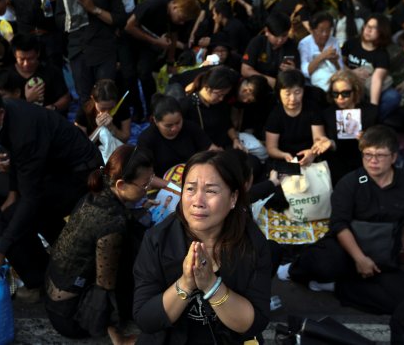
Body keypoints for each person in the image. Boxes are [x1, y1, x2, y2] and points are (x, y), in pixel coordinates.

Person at [0, 80, 101, 302]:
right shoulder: (4, 113)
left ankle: (41, 281)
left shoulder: (24, 128)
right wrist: (12, 192)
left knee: (7, 223)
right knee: (14, 209)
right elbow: (17, 159)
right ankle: (62, 257)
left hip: (81, 177)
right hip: (51, 170)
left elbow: (32, 197)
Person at [133, 150, 271, 343]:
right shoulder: (158, 239)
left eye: (211, 191)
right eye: (190, 189)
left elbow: (255, 323)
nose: (198, 202)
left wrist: (211, 286)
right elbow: (146, 319)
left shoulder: (253, 244)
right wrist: (186, 283)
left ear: (233, 198)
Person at [279, 125, 404, 314]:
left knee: (402, 301)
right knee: (324, 263)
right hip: (345, 247)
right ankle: (293, 269)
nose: (373, 161)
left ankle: (337, 287)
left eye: (380, 155)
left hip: (382, 251)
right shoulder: (350, 182)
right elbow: (339, 224)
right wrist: (360, 259)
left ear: (394, 157)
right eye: (367, 154)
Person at [45, 144, 152, 343]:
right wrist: (118, 335)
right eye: (144, 185)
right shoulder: (112, 225)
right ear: (120, 185)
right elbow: (105, 285)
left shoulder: (93, 195)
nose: (147, 189)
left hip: (54, 297)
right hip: (70, 316)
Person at [55, 0, 126, 105]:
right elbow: (59, 20)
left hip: (104, 50)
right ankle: (88, 131)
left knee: (106, 97)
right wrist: (73, 15)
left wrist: (93, 9)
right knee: (85, 98)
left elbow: (120, 19)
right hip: (78, 50)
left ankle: (108, 131)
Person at [124, 0, 200, 121]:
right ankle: (137, 111)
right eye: (181, 18)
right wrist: (156, 41)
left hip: (149, 44)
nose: (182, 22)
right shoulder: (155, 4)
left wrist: (170, 61)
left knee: (144, 73)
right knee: (129, 75)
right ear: (175, 7)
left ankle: (152, 110)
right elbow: (129, 26)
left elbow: (174, 36)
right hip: (128, 40)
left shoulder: (175, 18)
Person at [312, 70, 378, 184]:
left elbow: (380, 140)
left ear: (355, 91)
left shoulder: (370, 112)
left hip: (364, 160)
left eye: (345, 93)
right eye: (335, 94)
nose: (340, 98)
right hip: (337, 162)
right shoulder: (327, 114)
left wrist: (368, 138)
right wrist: (328, 143)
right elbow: (321, 141)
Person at [137, 95, 216, 187]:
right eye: (168, 126)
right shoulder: (147, 139)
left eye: (178, 122)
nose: (175, 128)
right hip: (161, 186)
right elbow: (144, 175)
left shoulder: (190, 128)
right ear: (155, 121)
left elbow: (211, 149)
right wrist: (173, 186)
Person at [341, 13, 396, 119]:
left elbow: (377, 79)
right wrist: (351, 72)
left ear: (381, 32)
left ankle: (372, 120)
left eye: (374, 28)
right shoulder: (351, 43)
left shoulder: (382, 54)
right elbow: (339, 63)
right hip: (349, 83)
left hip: (368, 88)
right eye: (367, 26)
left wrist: (373, 108)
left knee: (392, 96)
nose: (368, 30)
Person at [5, 34, 71, 114]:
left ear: (38, 53)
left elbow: (65, 98)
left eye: (30, 58)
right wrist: (27, 100)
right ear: (15, 55)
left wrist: (53, 107)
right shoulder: (6, 76)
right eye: (22, 59)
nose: (26, 63)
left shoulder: (51, 71)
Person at [179, 66, 241, 150]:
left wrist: (235, 140)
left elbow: (227, 123)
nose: (221, 98)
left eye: (224, 95)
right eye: (219, 94)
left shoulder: (221, 104)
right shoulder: (187, 105)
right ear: (207, 87)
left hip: (224, 146)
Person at [265, 70, 316, 170]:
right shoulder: (275, 114)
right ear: (279, 93)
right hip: (284, 161)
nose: (293, 99)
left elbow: (319, 138)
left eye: (297, 92)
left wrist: (313, 152)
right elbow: (271, 148)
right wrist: (284, 155)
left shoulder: (312, 109)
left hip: (310, 158)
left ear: (303, 90)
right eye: (287, 93)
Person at [241, 12, 299, 88]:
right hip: (256, 85)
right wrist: (268, 80)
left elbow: (298, 73)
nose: (280, 40)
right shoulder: (257, 42)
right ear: (267, 31)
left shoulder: (291, 45)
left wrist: (293, 71)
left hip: (281, 86)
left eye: (284, 36)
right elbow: (245, 70)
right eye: (276, 36)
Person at [298, 11, 342, 99]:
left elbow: (340, 69)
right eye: (321, 30)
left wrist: (335, 62)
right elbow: (305, 72)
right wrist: (323, 56)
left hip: (334, 79)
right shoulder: (304, 44)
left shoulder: (334, 41)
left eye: (328, 30)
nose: (325, 34)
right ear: (312, 30)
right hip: (312, 83)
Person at [75, 78, 131, 143]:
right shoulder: (83, 112)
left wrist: (112, 127)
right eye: (103, 108)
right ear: (93, 99)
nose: (107, 112)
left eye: (111, 108)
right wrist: (99, 128)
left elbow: (125, 139)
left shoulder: (122, 108)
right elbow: (82, 145)